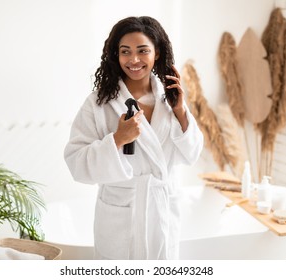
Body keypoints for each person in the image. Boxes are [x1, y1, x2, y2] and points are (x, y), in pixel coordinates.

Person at [64, 16, 203, 260]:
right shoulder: (99, 103)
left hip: (161, 210)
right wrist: (118, 138)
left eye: (143, 51)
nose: (134, 60)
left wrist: (180, 111)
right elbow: (76, 162)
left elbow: (191, 154)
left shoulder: (170, 100)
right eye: (125, 51)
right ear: (115, 55)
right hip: (120, 215)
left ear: (156, 53)